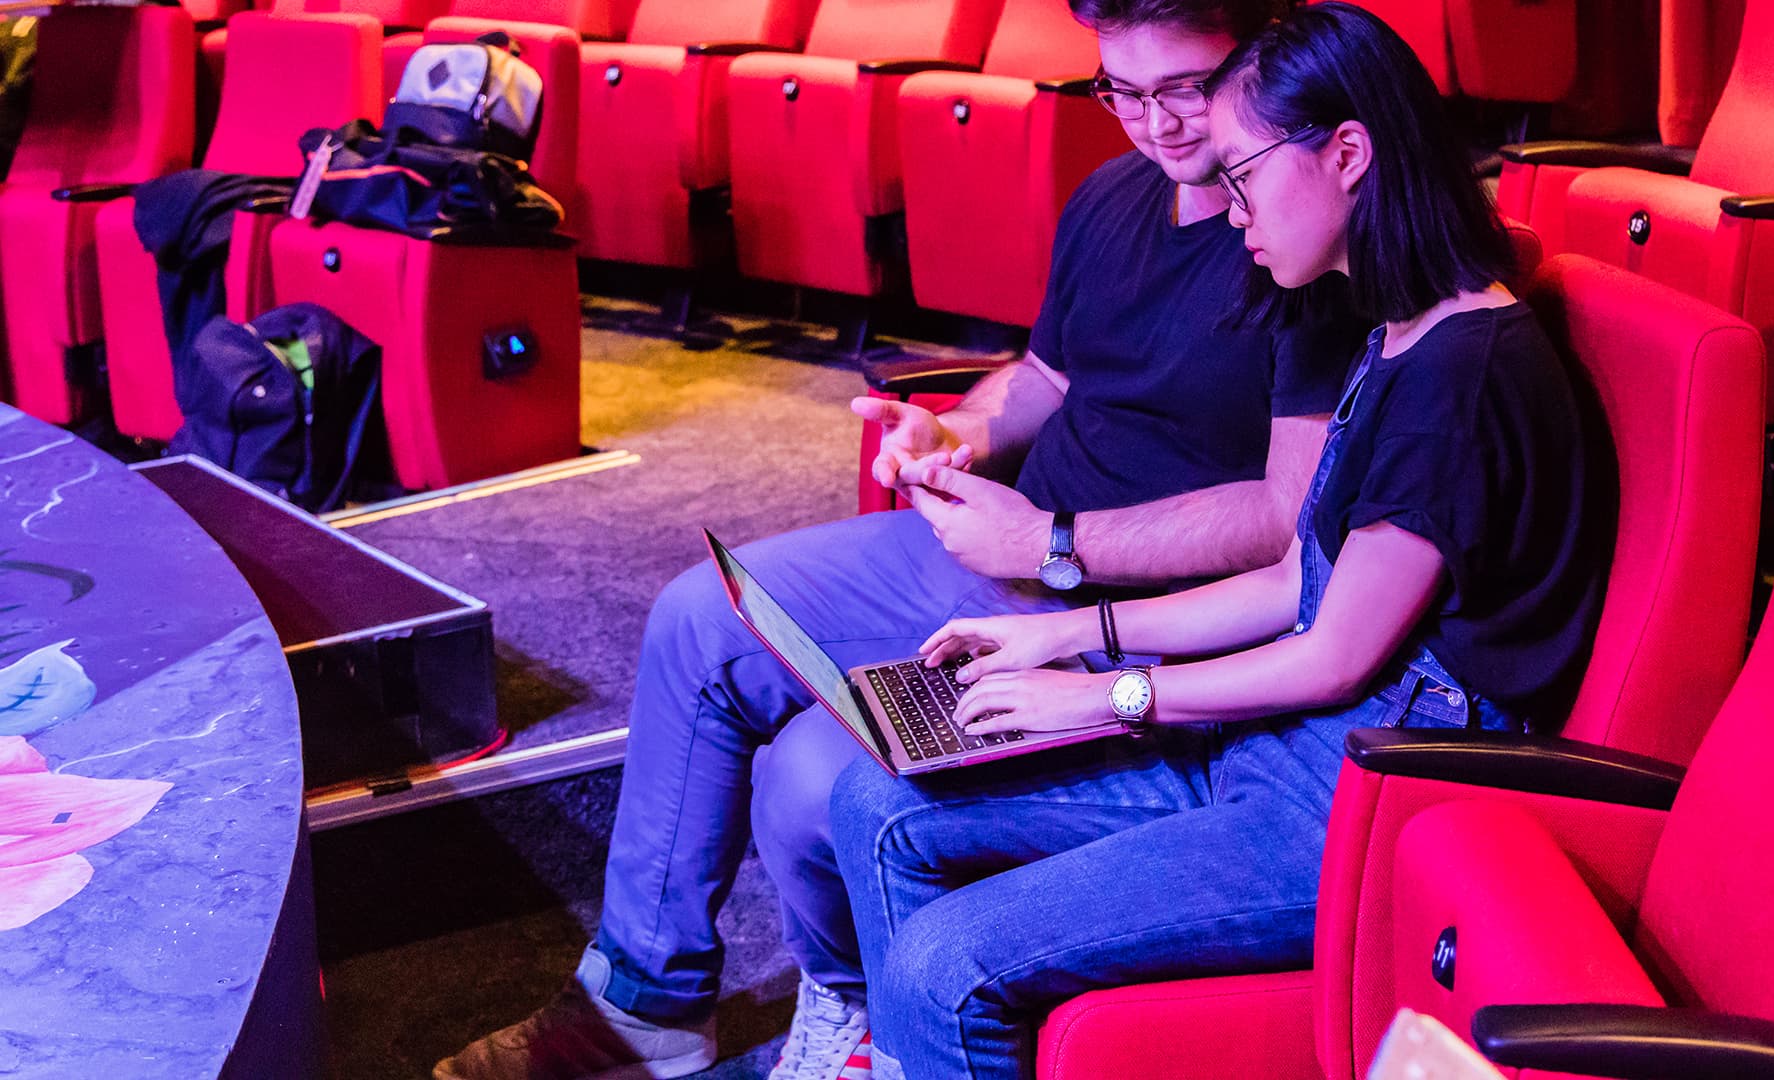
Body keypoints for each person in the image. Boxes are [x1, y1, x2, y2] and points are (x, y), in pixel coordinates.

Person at [434, 0, 1372, 1076]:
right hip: (1014, 552)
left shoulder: (1301, 235)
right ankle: (642, 1005)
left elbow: (1282, 520)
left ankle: (858, 1007)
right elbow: (1049, 381)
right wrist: (962, 429)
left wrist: (1052, 547)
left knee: (808, 776)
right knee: (699, 617)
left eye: (1184, 89)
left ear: (1258, 64)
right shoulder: (1112, 196)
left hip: (1131, 612)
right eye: (1122, 89)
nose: (1153, 124)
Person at [828, 5, 1612, 1078]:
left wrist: (1109, 694)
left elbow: (1334, 652)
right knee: (879, 800)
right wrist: (1070, 639)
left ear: (1346, 154)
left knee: (944, 964)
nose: (1225, 210)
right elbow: (1297, 577)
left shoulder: (1458, 381)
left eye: (1243, 175)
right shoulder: (1395, 326)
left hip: (1365, 793)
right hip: (1291, 738)